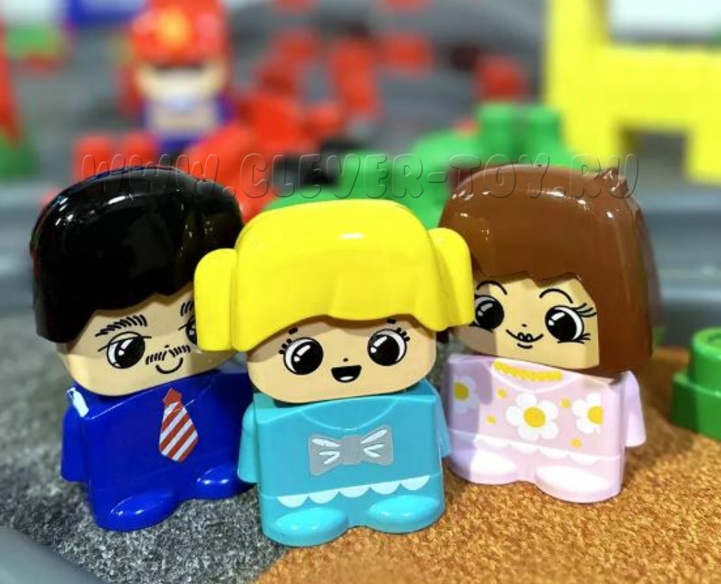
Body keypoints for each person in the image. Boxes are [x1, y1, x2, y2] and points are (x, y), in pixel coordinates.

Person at [194, 199, 473, 546]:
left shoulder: (421, 400)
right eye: (303, 356)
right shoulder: (265, 416)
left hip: (406, 485)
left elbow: (438, 443)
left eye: (386, 347)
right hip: (299, 500)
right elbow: (251, 467)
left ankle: (397, 497)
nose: (346, 366)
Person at [30, 166, 251, 531]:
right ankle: (133, 494)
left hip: (216, 457)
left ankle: (210, 468)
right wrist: (77, 468)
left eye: (194, 327)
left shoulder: (228, 382)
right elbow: (75, 460)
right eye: (126, 348)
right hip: (127, 484)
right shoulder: (94, 413)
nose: (168, 353)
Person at [439, 165, 659, 503]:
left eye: (563, 322)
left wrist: (627, 432)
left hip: (582, 459)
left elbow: (631, 428)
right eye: (489, 311)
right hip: (485, 443)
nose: (524, 331)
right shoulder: (468, 369)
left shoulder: (607, 385)